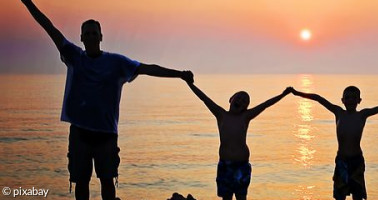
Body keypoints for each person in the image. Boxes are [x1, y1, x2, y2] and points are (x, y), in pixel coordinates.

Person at [21, 1, 194, 199]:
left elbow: (148, 69)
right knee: (81, 181)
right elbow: (48, 26)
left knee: (107, 181)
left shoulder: (117, 63)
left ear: (101, 37)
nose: (91, 36)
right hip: (80, 133)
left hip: (106, 135)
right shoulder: (74, 56)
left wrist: (179, 74)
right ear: (81, 38)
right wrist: (27, 2)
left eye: (94, 33)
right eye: (87, 33)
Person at [290, 86, 378, 200]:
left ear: (359, 100)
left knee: (357, 195)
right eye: (347, 98)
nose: (350, 100)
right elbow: (318, 98)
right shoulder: (338, 112)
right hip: (342, 161)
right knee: (340, 195)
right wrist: (296, 93)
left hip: (357, 161)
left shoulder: (362, 115)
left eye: (354, 98)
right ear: (342, 100)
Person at [185, 81, 292, 200]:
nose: (241, 101)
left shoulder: (245, 117)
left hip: (242, 165)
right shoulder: (221, 114)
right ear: (231, 99)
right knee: (226, 197)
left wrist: (283, 94)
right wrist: (189, 83)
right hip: (225, 165)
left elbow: (265, 105)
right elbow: (204, 98)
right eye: (239, 97)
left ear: (245, 108)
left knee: (241, 197)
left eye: (244, 101)